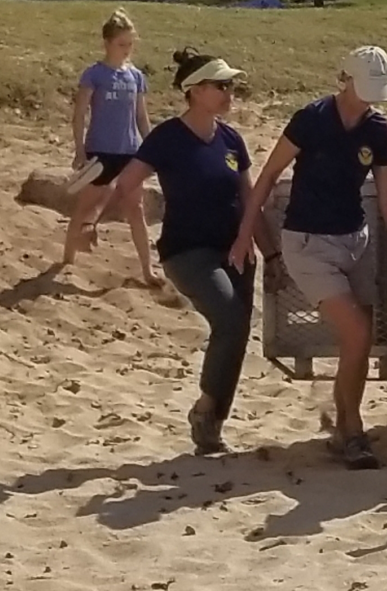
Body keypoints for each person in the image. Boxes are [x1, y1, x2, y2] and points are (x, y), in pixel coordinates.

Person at [229, 46, 387, 470]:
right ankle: (352, 429)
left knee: (359, 340)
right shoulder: (311, 119)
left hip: (356, 240)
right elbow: (269, 176)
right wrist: (245, 235)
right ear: (344, 80)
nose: (370, 99)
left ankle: (345, 423)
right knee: (357, 334)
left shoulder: (379, 129)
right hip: (308, 242)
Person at [107, 48, 283, 454]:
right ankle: (206, 409)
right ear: (196, 91)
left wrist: (270, 252)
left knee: (236, 332)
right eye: (221, 86)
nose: (229, 92)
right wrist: (89, 221)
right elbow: (125, 184)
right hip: (187, 251)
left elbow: (249, 199)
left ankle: (211, 425)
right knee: (231, 320)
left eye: (231, 85)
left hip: (235, 251)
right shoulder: (167, 137)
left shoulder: (231, 138)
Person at [63, 8, 159, 285]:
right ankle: (67, 260)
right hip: (101, 151)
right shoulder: (95, 74)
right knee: (85, 207)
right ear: (107, 43)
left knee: (135, 209)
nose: (127, 49)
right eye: (122, 44)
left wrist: (151, 149)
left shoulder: (136, 76)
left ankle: (147, 270)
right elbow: (80, 113)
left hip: (131, 151)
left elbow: (141, 116)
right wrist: (80, 149)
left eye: (130, 44)